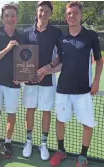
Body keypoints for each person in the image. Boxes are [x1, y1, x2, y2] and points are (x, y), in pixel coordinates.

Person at [38, 1, 103, 167]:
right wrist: (48, 69)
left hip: (83, 91)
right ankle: (61, 151)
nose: (71, 16)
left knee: (87, 124)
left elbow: (99, 60)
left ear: (81, 15)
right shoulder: (62, 38)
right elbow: (61, 62)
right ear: (65, 16)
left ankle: (83, 156)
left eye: (75, 13)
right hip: (63, 90)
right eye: (69, 13)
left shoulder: (91, 36)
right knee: (61, 120)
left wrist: (96, 81)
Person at [0, 4, 28, 166]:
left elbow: (26, 58)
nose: (10, 18)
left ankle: (8, 142)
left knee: (11, 115)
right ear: (2, 18)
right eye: (7, 15)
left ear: (17, 18)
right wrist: (7, 48)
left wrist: (22, 76)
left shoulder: (22, 36)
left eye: (13, 15)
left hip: (14, 84)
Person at [22, 1, 62, 161]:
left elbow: (61, 54)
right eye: (40, 10)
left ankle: (43, 144)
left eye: (46, 11)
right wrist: (22, 72)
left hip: (47, 79)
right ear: (36, 11)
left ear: (50, 14)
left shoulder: (56, 32)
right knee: (30, 110)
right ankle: (29, 142)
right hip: (30, 80)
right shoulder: (26, 32)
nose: (43, 14)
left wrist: (49, 67)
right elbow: (21, 55)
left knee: (46, 110)